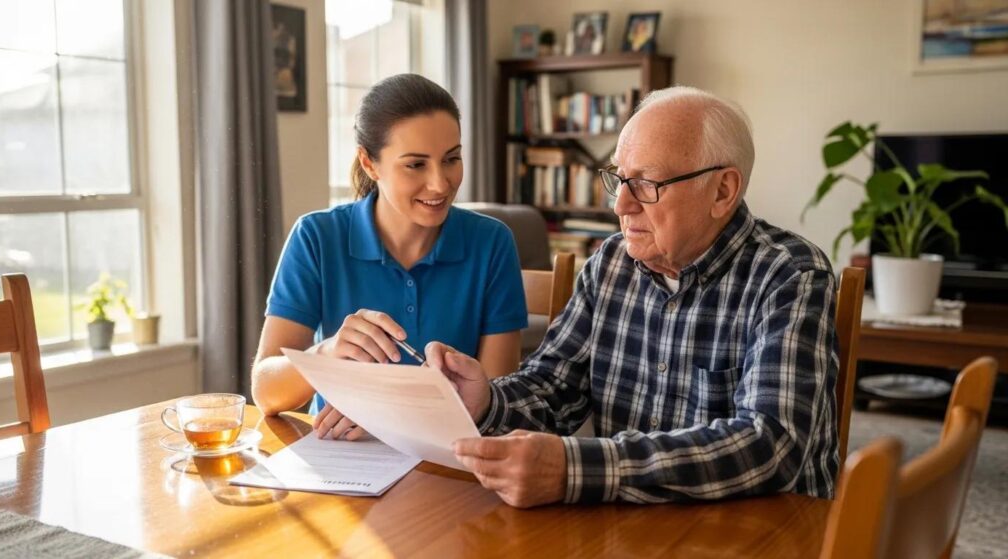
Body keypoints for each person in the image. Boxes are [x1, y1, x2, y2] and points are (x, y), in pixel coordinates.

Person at [426, 86, 840, 508]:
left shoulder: (790, 275)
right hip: (627, 529)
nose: (620, 205)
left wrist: (574, 469)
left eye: (644, 184)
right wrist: (488, 401)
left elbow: (771, 446)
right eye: (619, 178)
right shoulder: (611, 263)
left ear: (722, 192)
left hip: (761, 534)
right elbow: (554, 387)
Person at [252, 74, 527, 440]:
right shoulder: (316, 238)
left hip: (448, 462)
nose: (440, 184)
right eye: (416, 164)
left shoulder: (492, 243)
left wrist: (393, 415)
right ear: (369, 163)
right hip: (345, 462)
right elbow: (266, 393)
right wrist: (328, 352)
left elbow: (496, 401)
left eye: (452, 159)